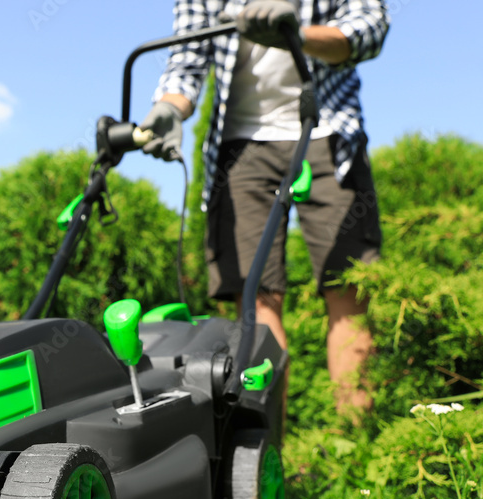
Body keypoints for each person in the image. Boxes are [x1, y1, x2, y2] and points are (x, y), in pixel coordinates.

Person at [141, 0, 389, 422]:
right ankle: (265, 446)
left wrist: (296, 34)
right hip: (242, 143)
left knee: (349, 288)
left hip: (329, 132)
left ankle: (357, 446)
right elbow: (188, 57)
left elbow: (368, 29)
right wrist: (169, 108)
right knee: (256, 298)